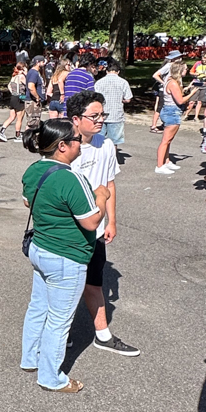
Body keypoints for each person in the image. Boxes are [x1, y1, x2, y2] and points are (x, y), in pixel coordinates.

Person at [20, 119, 110, 391]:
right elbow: (91, 222)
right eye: (76, 139)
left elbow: (27, 200)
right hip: (66, 257)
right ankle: (51, 377)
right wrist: (102, 196)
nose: (80, 144)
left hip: (40, 248)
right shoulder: (72, 178)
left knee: (38, 307)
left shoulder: (34, 170)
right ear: (62, 146)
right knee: (59, 320)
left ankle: (30, 357)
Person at [67, 90, 140, 356]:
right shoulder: (62, 145)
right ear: (76, 119)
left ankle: (103, 335)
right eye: (94, 116)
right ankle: (60, 335)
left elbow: (109, 184)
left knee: (94, 282)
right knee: (66, 285)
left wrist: (112, 221)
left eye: (102, 115)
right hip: (68, 230)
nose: (100, 120)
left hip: (96, 229)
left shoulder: (106, 145)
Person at [155, 61, 199, 174]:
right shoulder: (173, 83)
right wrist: (192, 93)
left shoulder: (171, 81)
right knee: (165, 140)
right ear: (179, 70)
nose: (187, 71)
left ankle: (166, 161)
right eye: (185, 69)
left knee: (168, 140)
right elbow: (180, 100)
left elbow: (176, 95)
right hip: (172, 112)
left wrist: (186, 89)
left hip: (169, 110)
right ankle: (159, 166)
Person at [94, 59, 133, 151]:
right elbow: (128, 99)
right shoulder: (123, 82)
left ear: (106, 71)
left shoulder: (99, 82)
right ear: (118, 71)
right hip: (116, 115)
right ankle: (112, 158)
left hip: (101, 115)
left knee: (98, 140)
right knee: (113, 142)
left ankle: (99, 158)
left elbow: (94, 98)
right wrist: (122, 100)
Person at [150, 49, 183, 131]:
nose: (180, 59)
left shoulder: (177, 66)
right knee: (160, 107)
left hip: (173, 89)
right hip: (165, 90)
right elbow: (155, 75)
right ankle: (154, 125)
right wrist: (164, 83)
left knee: (168, 107)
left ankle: (165, 123)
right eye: (178, 57)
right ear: (173, 58)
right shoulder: (169, 66)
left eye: (180, 57)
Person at [0, 61, 27, 141]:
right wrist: (26, 74)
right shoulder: (22, 76)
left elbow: (9, 85)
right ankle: (17, 135)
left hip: (13, 97)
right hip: (20, 97)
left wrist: (13, 92)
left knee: (11, 117)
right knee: (19, 118)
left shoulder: (14, 76)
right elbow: (28, 85)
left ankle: (1, 131)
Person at [24, 55, 46, 131]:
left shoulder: (36, 72)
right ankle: (30, 137)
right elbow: (31, 86)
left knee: (33, 123)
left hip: (34, 102)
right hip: (33, 102)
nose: (44, 63)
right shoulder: (34, 73)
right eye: (43, 61)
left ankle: (29, 137)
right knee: (33, 123)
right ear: (37, 62)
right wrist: (37, 97)